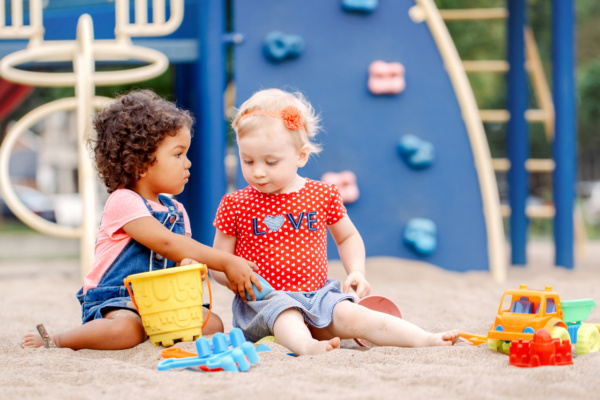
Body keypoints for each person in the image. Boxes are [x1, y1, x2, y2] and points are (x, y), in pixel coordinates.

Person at [211, 88, 461, 356]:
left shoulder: (322, 194)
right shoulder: (235, 203)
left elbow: (347, 237)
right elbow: (218, 259)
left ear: (301, 155)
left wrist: (356, 271)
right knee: (286, 315)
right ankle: (307, 347)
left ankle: (424, 339)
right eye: (247, 160)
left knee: (358, 316)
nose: (258, 171)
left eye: (270, 161)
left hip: (320, 297)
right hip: (264, 303)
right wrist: (233, 278)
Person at [22, 90, 261, 350]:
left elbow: (181, 255)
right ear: (141, 163)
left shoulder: (177, 210)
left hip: (163, 301)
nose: (188, 163)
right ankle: (58, 340)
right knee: (126, 329)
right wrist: (226, 261)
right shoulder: (123, 202)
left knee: (212, 324)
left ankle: (154, 330)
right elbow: (167, 244)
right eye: (178, 154)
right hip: (117, 301)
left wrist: (189, 268)